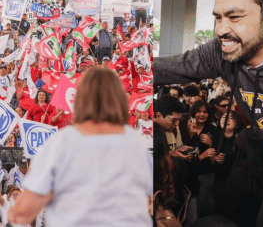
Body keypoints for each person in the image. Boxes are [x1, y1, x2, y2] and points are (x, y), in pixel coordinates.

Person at [154, 0, 263, 224]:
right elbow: (173, 67)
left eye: (234, 17)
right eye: (218, 17)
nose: (220, 30)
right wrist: (116, 69)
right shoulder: (223, 50)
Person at [8, 67, 154, 226]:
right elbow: (149, 201)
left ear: (79, 99)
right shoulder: (137, 143)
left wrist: (7, 207)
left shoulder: (62, 143)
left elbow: (22, 213)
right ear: (119, 99)